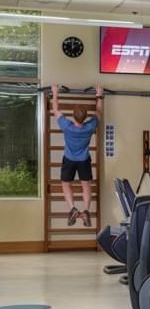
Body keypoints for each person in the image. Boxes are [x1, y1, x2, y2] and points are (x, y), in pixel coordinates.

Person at [52, 84, 104, 227]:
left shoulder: (67, 126)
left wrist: (55, 92)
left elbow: (55, 109)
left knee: (65, 184)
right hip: (84, 160)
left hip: (69, 159)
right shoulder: (90, 126)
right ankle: (86, 210)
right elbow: (99, 112)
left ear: (73, 116)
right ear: (86, 117)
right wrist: (99, 94)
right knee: (86, 185)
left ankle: (72, 208)